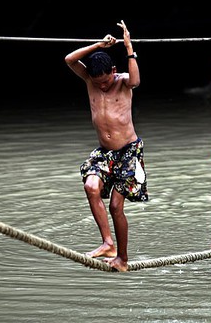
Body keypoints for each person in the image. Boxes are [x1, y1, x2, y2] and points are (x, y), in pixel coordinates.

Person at [64, 20, 148, 272]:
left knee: (115, 205)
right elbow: (69, 59)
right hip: (105, 152)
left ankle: (122, 256)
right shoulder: (90, 80)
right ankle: (107, 243)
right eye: (97, 81)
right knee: (90, 186)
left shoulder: (122, 81)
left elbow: (136, 79)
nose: (102, 85)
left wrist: (128, 45)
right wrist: (99, 44)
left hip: (129, 151)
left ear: (113, 70)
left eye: (105, 79)